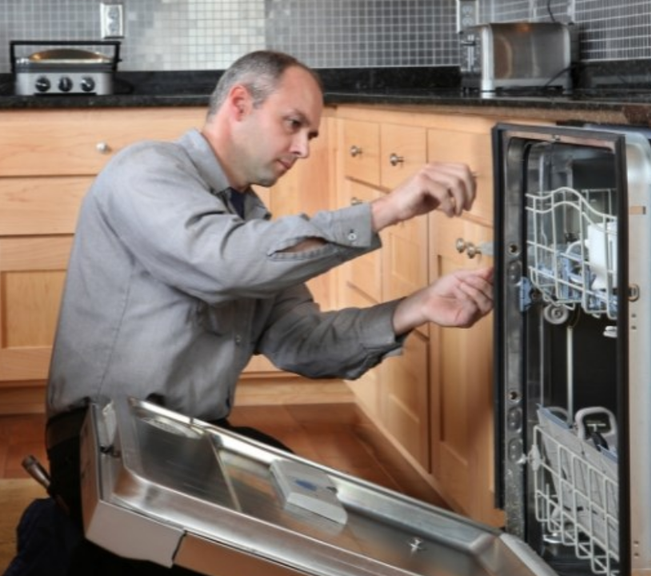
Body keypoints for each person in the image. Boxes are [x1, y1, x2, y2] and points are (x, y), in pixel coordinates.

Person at [41, 49, 493, 574]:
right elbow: (224, 263)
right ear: (239, 104)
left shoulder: (255, 227)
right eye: (293, 124)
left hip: (193, 437)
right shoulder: (146, 170)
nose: (303, 148)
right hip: (105, 442)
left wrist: (414, 308)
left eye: (311, 134)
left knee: (319, 528)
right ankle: (55, 535)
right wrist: (387, 209)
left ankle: (67, 537)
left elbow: (301, 343)